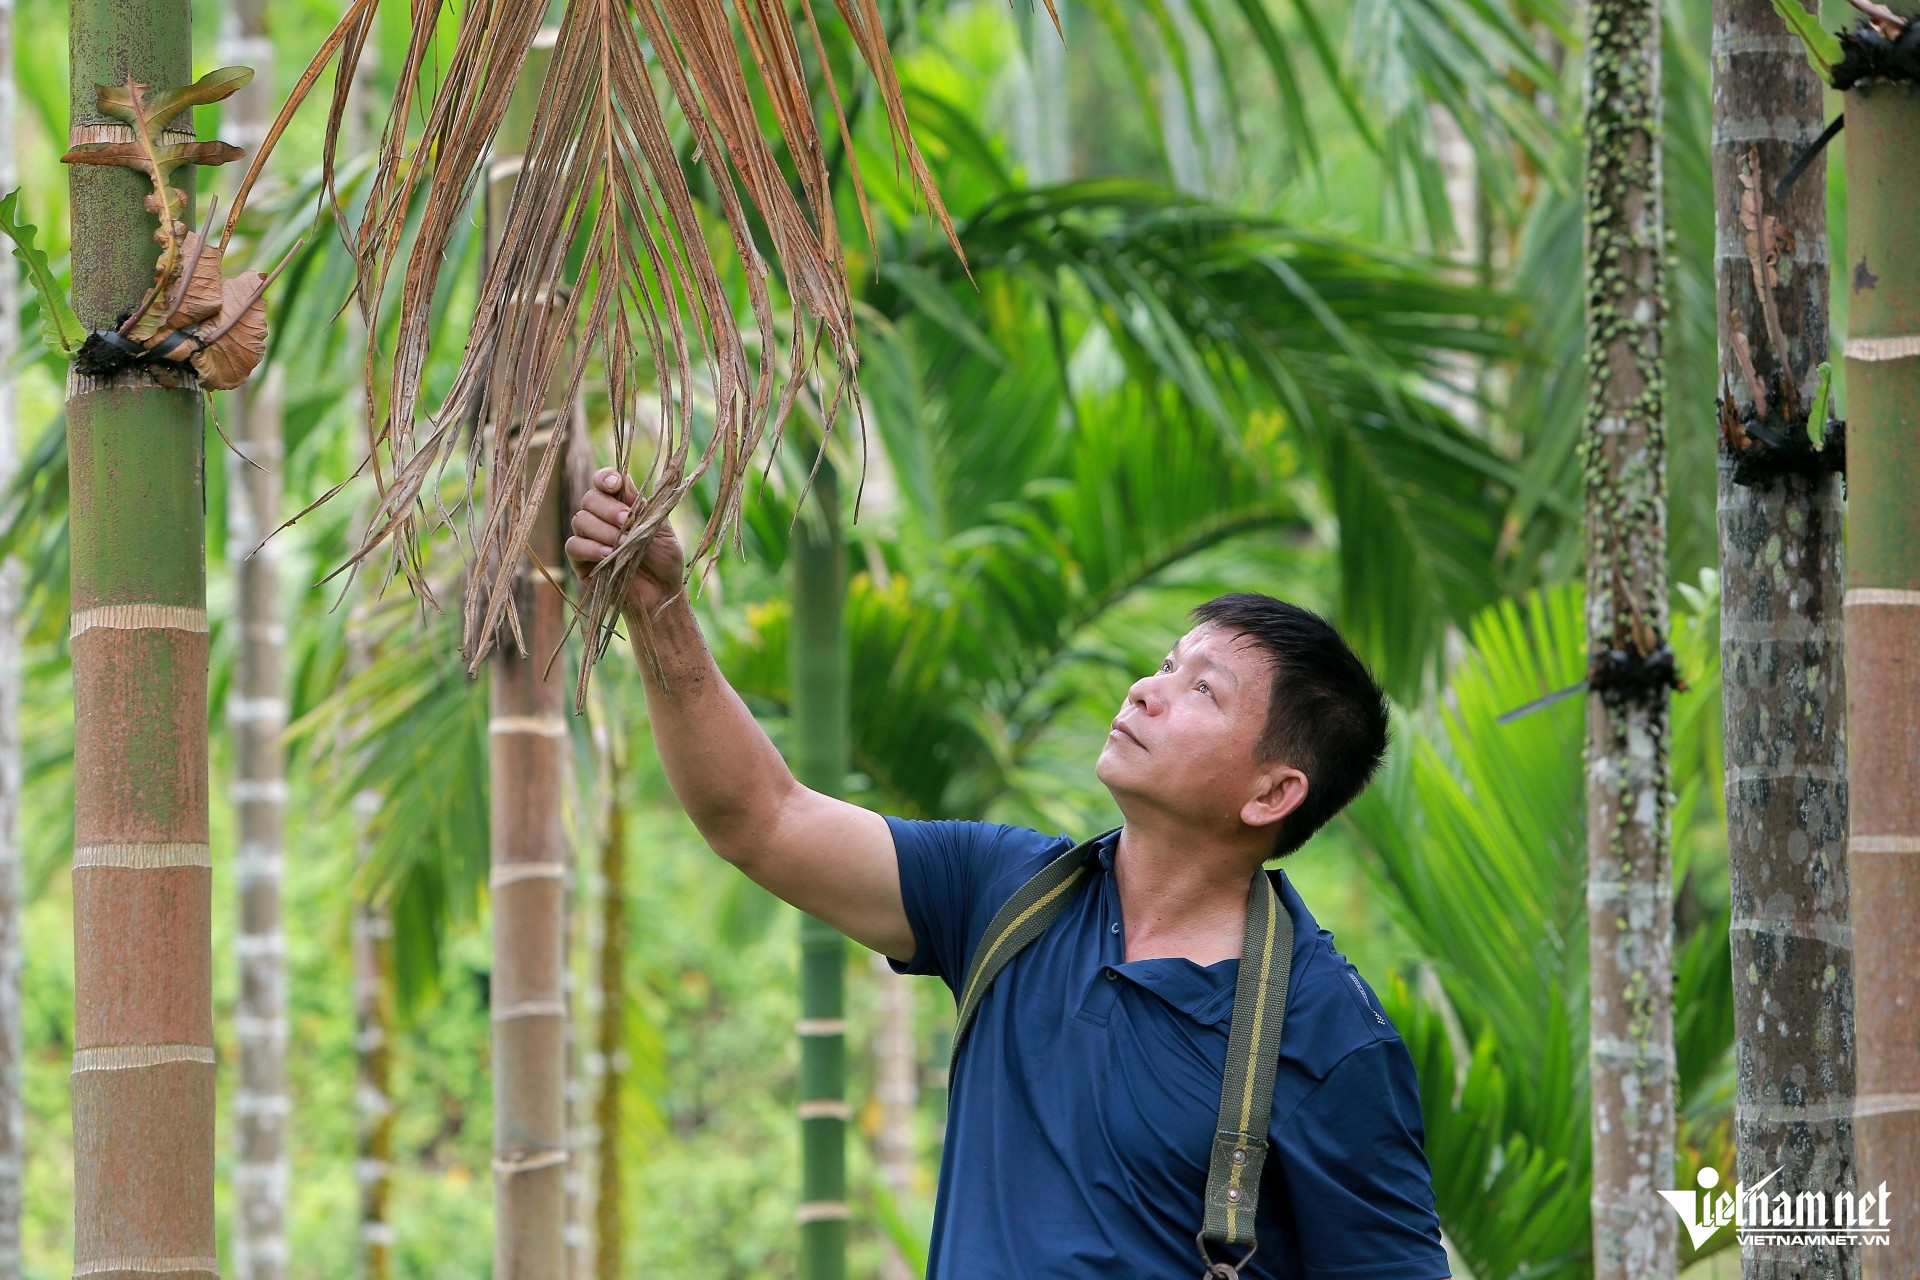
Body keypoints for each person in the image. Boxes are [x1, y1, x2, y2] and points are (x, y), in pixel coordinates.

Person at [567, 468, 1452, 1280]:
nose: (1147, 690)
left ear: (1273, 793)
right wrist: (659, 609)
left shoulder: (1329, 1039)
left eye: (1202, 691)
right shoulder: (1008, 893)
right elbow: (761, 818)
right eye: (1165, 665)